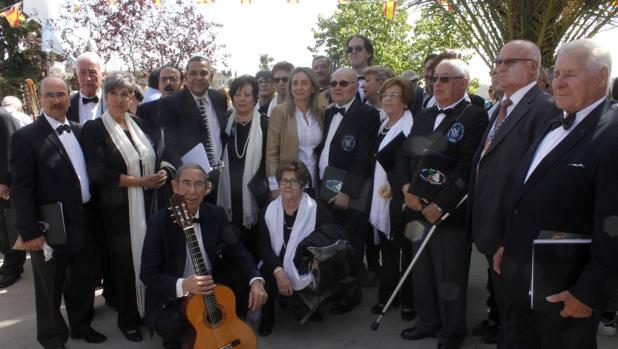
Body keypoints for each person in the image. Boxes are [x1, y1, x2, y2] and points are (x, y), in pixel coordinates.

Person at [493, 38, 618, 349]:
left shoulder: (612, 133)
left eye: (570, 74)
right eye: (557, 73)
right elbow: (528, 193)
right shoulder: (553, 124)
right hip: (520, 282)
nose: (558, 83)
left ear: (601, 77)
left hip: (566, 295)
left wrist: (589, 292)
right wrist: (509, 243)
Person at [468, 40, 558, 347]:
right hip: (491, 230)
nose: (499, 67)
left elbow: (539, 184)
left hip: (514, 239)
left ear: (534, 68)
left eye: (510, 62)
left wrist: (510, 238)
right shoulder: (503, 106)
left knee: (520, 321)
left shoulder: (545, 109)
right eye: (498, 62)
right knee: (508, 315)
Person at [393, 59, 488, 349]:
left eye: (445, 79)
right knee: (421, 270)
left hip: (447, 213)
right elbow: (404, 155)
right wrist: (406, 189)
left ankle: (451, 332)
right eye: (435, 78)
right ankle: (427, 322)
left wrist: (442, 205)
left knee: (449, 276)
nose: (437, 84)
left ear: (463, 83)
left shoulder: (473, 116)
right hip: (415, 207)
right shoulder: (425, 114)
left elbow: (466, 166)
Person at [10, 77, 106, 349]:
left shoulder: (78, 129)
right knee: (49, 286)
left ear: (68, 97)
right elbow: (21, 188)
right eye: (50, 95)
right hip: (49, 223)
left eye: (61, 94)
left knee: (83, 279)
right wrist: (30, 230)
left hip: (84, 218)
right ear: (41, 99)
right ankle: (52, 338)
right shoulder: (25, 137)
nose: (56, 100)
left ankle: (81, 325)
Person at [140, 163, 267, 349]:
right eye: (186, 183)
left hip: (210, 282)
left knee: (243, 280)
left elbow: (237, 249)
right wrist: (183, 285)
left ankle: (226, 321)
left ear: (207, 189)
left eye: (199, 184)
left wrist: (256, 280)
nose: (192, 191)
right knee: (169, 327)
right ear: (174, 186)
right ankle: (192, 328)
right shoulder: (158, 222)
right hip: (177, 290)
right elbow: (148, 274)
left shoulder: (216, 213)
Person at [82, 71, 167, 342]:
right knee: (125, 266)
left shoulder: (138, 122)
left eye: (126, 94)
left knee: (149, 258)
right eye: (115, 93)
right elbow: (98, 172)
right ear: (106, 96)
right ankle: (128, 318)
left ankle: (146, 311)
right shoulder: (95, 129)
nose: (120, 99)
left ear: (132, 97)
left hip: (147, 203)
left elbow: (152, 156)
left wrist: (160, 174)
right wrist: (139, 181)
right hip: (117, 211)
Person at [318, 67, 380, 313]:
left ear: (356, 87)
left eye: (343, 83)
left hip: (348, 194)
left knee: (351, 245)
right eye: (333, 83)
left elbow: (363, 157)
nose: (337, 87)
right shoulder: (329, 113)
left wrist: (347, 191)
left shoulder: (367, 114)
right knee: (331, 243)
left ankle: (351, 295)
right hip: (326, 187)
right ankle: (335, 290)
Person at [257, 160, 341, 336]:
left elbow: (330, 236)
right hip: (276, 260)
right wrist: (279, 271)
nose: (287, 185)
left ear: (302, 186)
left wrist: (317, 258)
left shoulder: (316, 209)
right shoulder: (268, 211)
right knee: (266, 276)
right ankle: (268, 316)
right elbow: (263, 247)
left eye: (293, 181)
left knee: (322, 271)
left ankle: (311, 305)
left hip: (305, 259)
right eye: (283, 180)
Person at [368, 77, 415, 320]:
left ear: (405, 101)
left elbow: (409, 164)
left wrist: (396, 186)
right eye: (384, 95)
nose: (387, 99)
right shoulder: (383, 124)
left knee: (405, 249)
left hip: (402, 197)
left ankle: (408, 301)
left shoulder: (409, 127)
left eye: (393, 95)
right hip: (383, 196)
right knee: (388, 248)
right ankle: (388, 296)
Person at [160, 56, 228, 203]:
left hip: (219, 175)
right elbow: (170, 145)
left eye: (203, 73)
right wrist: (186, 178)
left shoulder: (220, 99)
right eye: (193, 73)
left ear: (211, 75)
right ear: (186, 76)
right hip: (191, 182)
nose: (198, 77)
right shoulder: (172, 103)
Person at [217, 75, 268, 258]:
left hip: (254, 195)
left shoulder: (265, 124)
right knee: (229, 242)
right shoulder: (224, 121)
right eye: (237, 94)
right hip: (227, 191)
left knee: (252, 242)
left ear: (255, 98)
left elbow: (268, 161)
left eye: (247, 94)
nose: (242, 99)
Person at [267, 67, 324, 197]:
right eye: (295, 83)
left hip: (315, 182)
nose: (299, 88)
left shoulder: (320, 114)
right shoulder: (280, 112)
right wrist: (275, 185)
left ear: (313, 88)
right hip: (288, 183)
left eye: (304, 83)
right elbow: (271, 152)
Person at [0, 107, 26, 289]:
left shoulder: (4, 117)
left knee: (9, 228)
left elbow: (9, 152)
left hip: (5, 187)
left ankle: (13, 267)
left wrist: (4, 181)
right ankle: (8, 263)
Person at [137, 65, 184, 153]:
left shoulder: (191, 110)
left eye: (173, 79)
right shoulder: (144, 111)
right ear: (158, 84)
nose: (168, 83)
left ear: (181, 84)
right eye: (163, 80)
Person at [67, 52, 106, 124]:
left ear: (102, 75)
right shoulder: (67, 104)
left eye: (92, 72)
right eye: (83, 72)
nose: (88, 78)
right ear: (77, 75)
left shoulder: (112, 103)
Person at [346, 34, 373, 102]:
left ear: (369, 53)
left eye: (358, 49)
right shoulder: (338, 81)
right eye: (350, 49)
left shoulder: (381, 78)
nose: (353, 52)